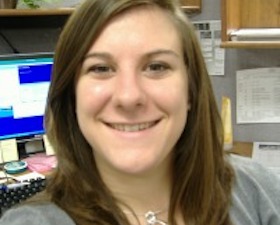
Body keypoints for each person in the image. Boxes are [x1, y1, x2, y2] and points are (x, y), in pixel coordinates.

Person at [1, 0, 280, 224]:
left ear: (191, 91)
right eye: (100, 68)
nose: (129, 96)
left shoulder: (258, 191)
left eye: (156, 66)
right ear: (70, 96)